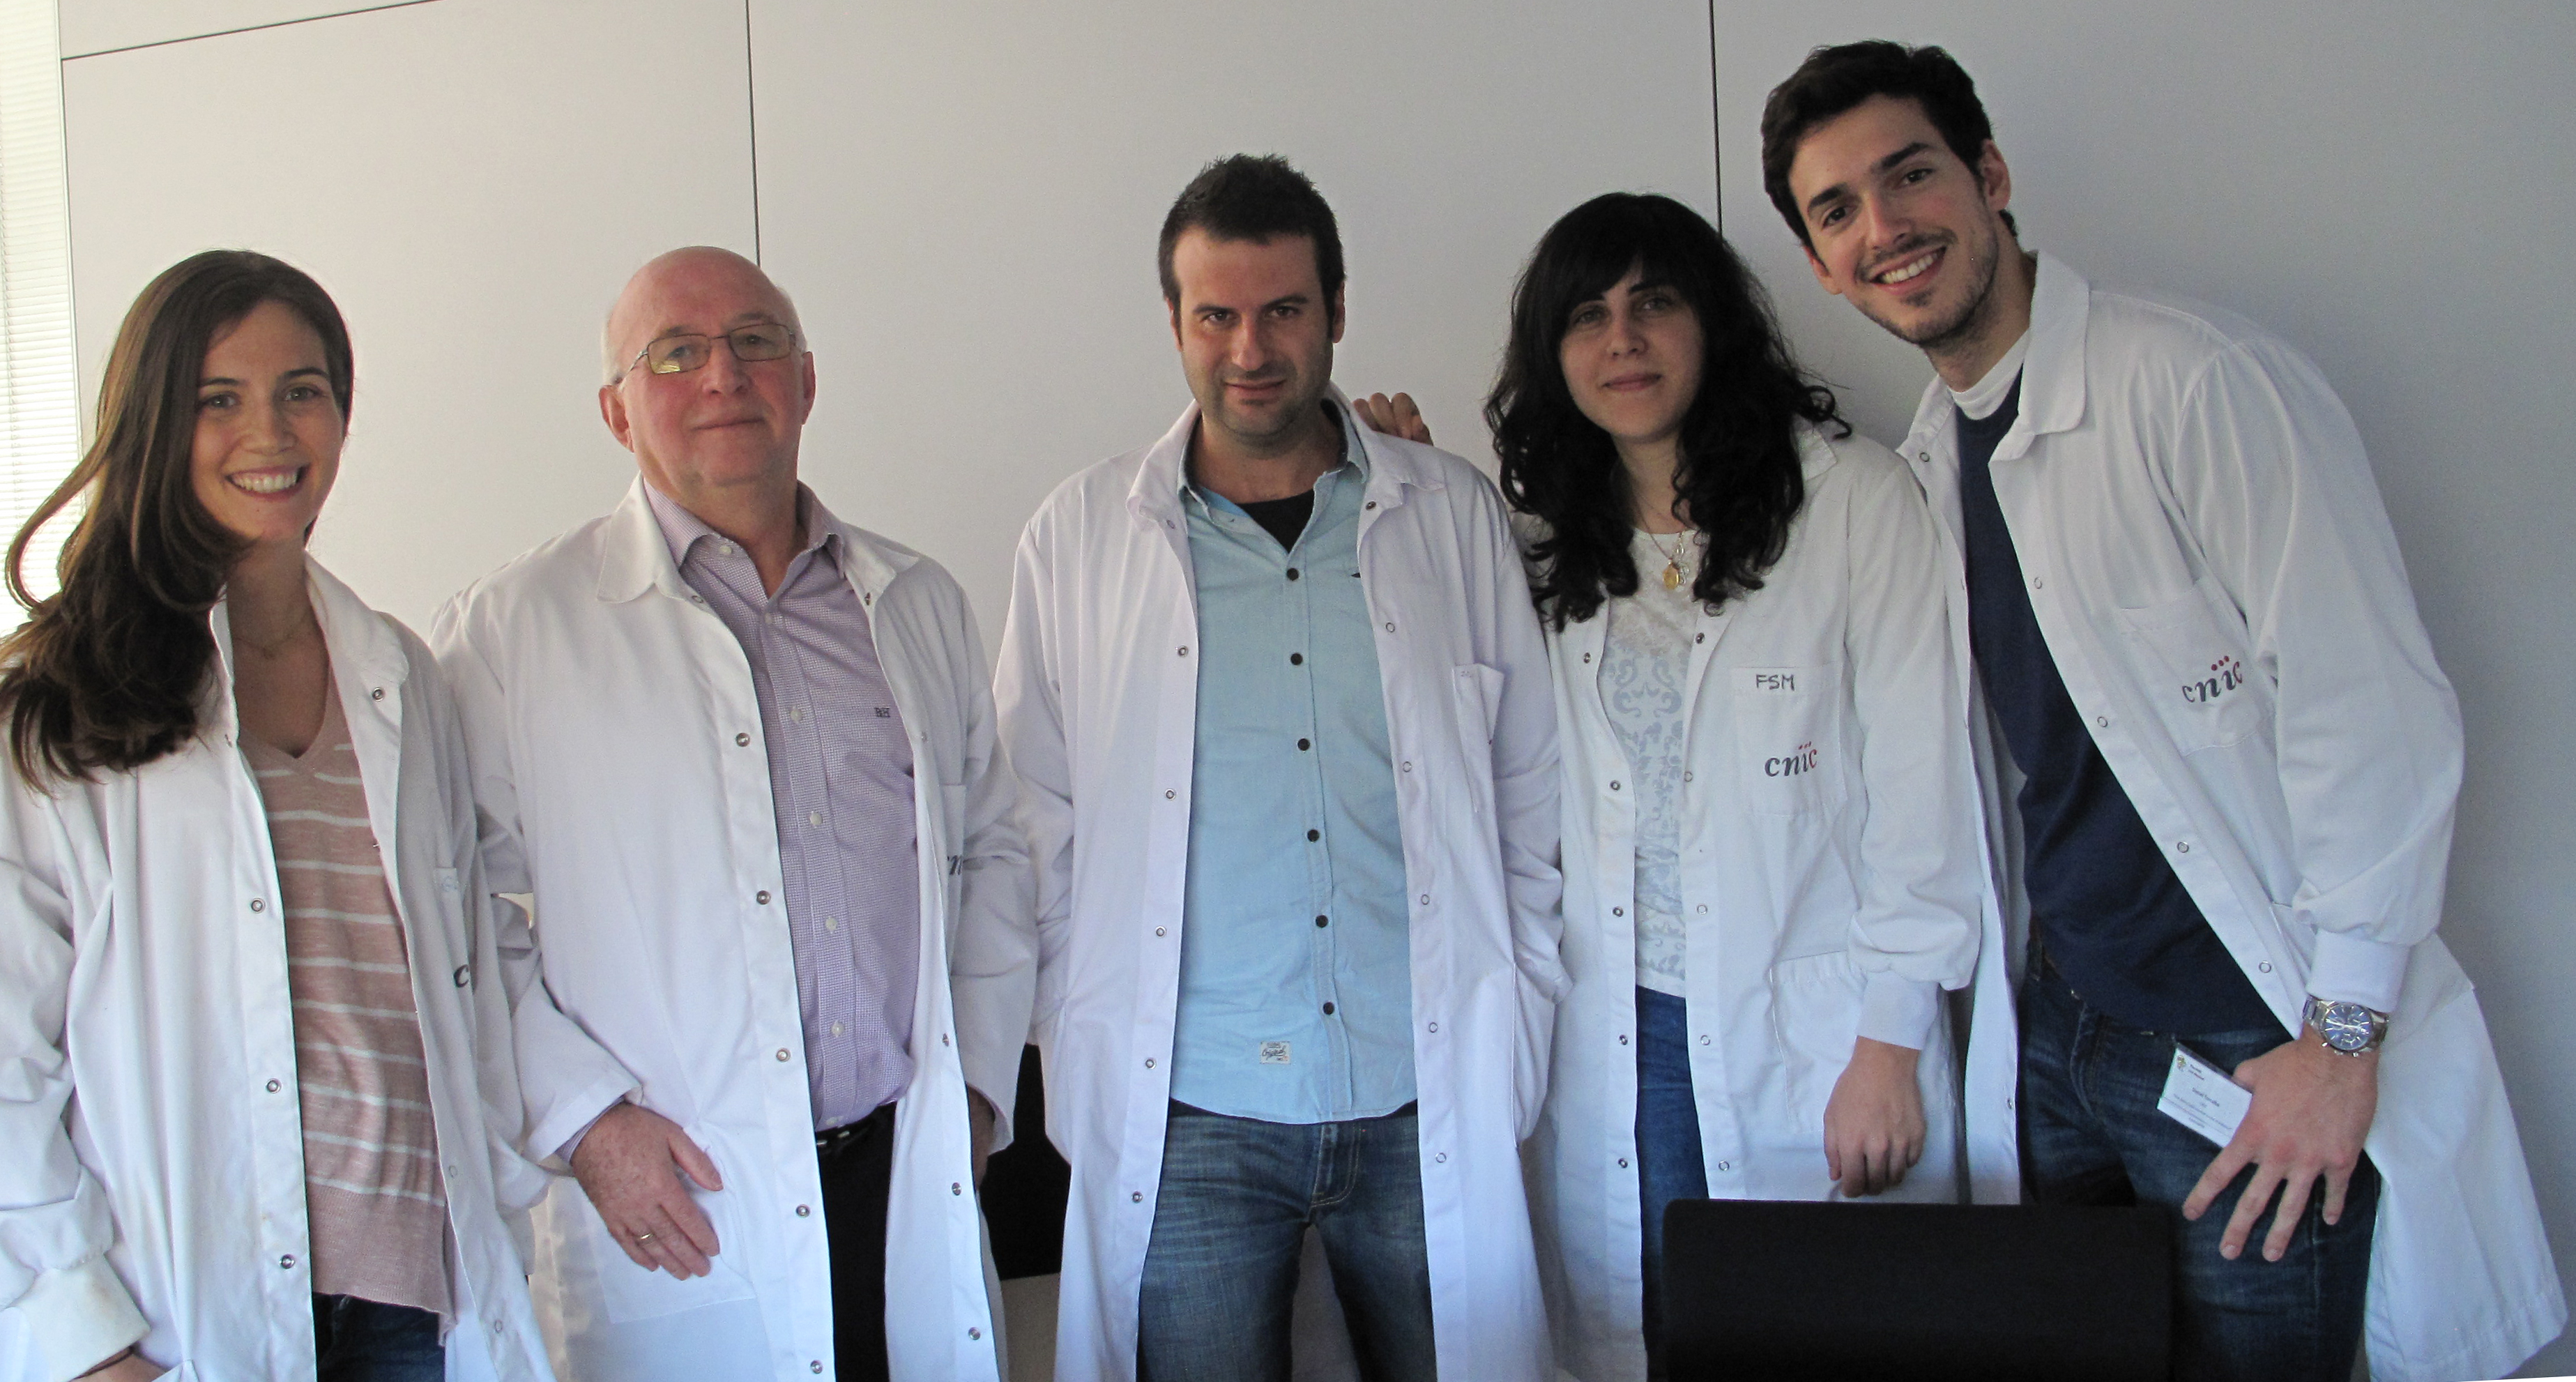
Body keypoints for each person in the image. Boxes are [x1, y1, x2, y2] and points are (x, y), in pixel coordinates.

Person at [1761, 39, 2565, 1382]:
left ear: (1991, 175)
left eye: (1910, 178)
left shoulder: (2195, 384)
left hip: (2254, 1047)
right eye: (1837, 211)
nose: (1885, 229)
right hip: (2067, 1037)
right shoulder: (1925, 467)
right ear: (1821, 264)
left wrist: (2343, 1042)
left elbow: (2376, 717)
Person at [1365, 190, 2004, 1380]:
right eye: (1589, 317)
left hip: (1816, 1033)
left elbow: (1928, 797)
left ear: (1712, 323)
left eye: (1655, 304)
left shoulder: (1854, 501)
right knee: (1647, 1335)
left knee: (1824, 1337)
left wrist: (1892, 1043)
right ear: (1554, 357)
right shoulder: (1548, 545)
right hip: (1621, 1036)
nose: (1624, 341)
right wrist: (1403, 477)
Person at [0, 250, 554, 1382]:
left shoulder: (401, 674)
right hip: (170, 1316)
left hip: (413, 1309)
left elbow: (462, 979)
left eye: (302, 389)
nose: (272, 431)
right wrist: (87, 1341)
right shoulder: (53, 707)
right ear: (155, 422)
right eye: (219, 399)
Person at [993, 153, 1564, 1382]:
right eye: (1217, 314)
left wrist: (1525, 1001)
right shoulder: (1081, 537)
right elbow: (1031, 824)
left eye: (1284, 310)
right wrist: (1064, 1041)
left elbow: (1530, 789)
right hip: (1189, 1111)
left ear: (1338, 313)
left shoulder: (1449, 514)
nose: (1250, 348)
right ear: (1175, 322)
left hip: (1423, 1094)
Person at [430, 246, 1033, 1382]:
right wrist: (588, 1123)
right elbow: (457, 916)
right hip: (683, 1196)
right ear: (617, 411)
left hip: (903, 1171)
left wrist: (982, 1094)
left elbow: (995, 854)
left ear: (805, 381)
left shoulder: (913, 600)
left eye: (756, 342)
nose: (723, 376)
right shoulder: (515, 631)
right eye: (677, 352)